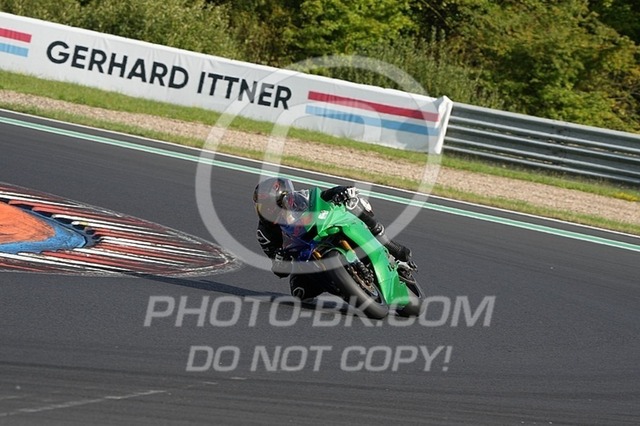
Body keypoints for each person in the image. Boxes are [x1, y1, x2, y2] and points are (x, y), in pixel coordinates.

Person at [252, 177, 417, 300]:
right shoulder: (264, 233)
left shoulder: (299, 199)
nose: (266, 211)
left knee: (353, 203)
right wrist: (280, 260)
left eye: (269, 206)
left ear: (284, 199)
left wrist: (341, 191)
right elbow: (279, 270)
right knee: (300, 292)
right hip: (305, 255)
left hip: (323, 229)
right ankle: (343, 286)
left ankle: (388, 244)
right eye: (261, 207)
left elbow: (322, 196)